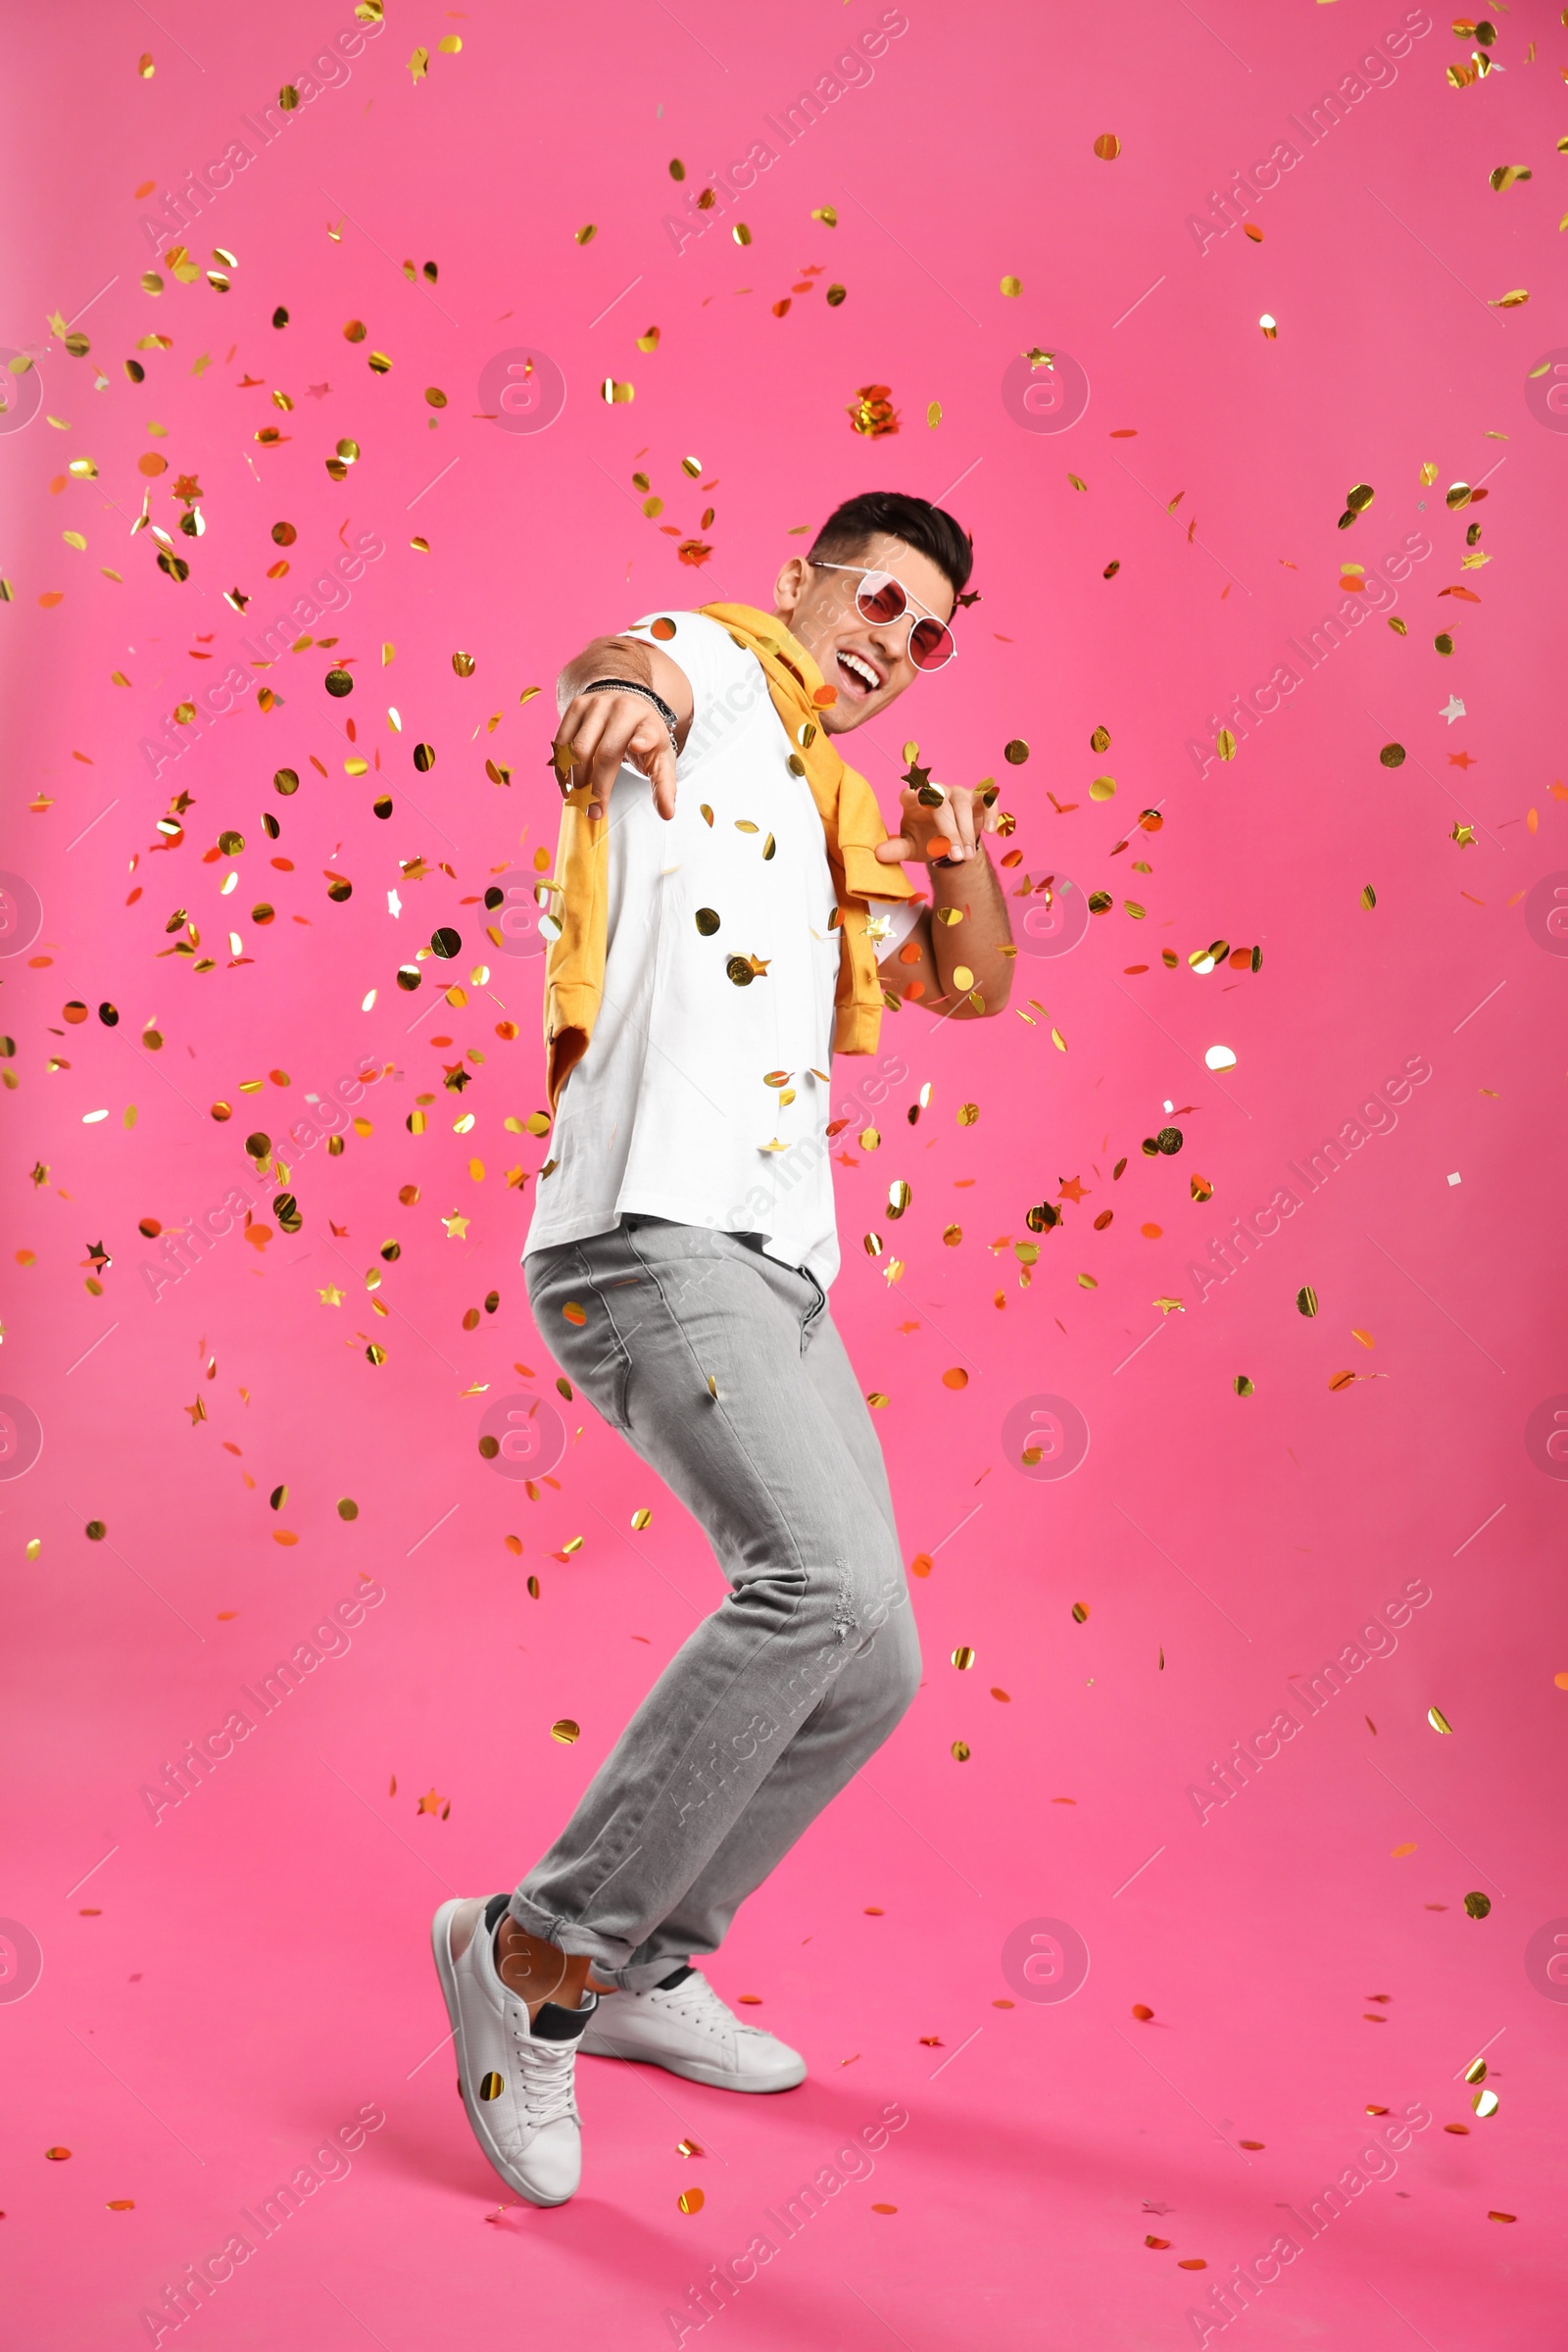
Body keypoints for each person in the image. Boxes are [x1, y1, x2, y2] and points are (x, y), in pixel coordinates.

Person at [432, 490, 1014, 2205]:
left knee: (878, 1656)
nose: (894, 644)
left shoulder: (835, 814)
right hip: (643, 1231)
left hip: (772, 1267)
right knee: (815, 1583)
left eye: (928, 635)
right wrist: (614, 695)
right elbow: (628, 676)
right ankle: (539, 1958)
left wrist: (957, 841)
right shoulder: (714, 665)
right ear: (804, 584)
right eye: (879, 600)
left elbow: (967, 982)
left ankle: (646, 1967)